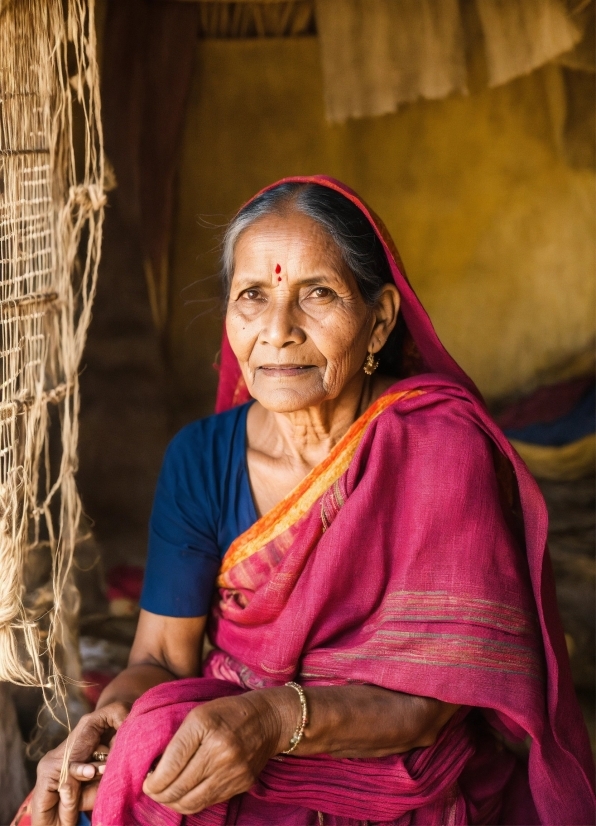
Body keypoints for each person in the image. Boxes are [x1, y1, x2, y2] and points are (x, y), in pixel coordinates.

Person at [32, 176, 595, 826]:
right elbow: (160, 659)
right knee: (91, 785)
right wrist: (108, 730)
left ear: (380, 319)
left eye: (317, 294)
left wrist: (272, 719)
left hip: (398, 779)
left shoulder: (437, 447)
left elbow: (429, 704)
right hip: (228, 744)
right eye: (253, 296)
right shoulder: (200, 457)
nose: (278, 330)